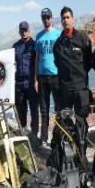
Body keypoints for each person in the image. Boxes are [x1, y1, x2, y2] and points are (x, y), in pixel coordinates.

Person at [53, 6, 93, 168]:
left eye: (68, 17)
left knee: (81, 122)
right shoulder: (58, 44)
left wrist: (80, 75)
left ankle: (81, 156)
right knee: (65, 122)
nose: (65, 20)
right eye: (63, 18)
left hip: (80, 88)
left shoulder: (83, 39)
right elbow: (57, 62)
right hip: (65, 88)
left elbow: (89, 62)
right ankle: (67, 156)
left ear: (73, 19)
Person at [35, 8, 61, 144]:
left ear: (52, 18)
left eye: (48, 17)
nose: (46, 20)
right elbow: (37, 59)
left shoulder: (58, 34)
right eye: (43, 18)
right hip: (42, 77)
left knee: (58, 108)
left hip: (56, 76)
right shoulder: (38, 36)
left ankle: (57, 137)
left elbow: (63, 56)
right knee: (43, 110)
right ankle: (44, 138)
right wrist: (35, 79)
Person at [13, 21, 39, 138]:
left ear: (29, 30)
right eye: (21, 31)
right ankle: (23, 132)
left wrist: (37, 80)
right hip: (19, 83)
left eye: (25, 30)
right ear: (19, 32)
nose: (24, 32)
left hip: (31, 83)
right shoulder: (15, 46)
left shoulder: (35, 45)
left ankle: (34, 134)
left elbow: (39, 62)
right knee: (21, 109)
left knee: (34, 109)